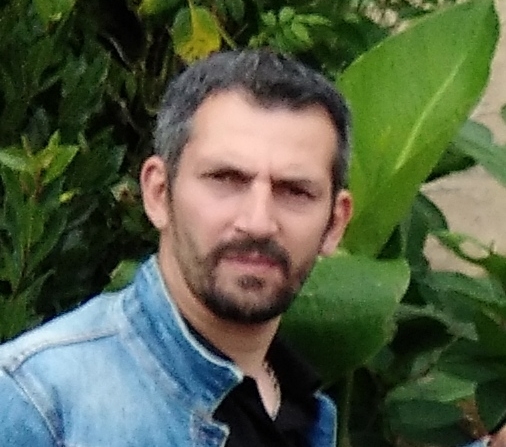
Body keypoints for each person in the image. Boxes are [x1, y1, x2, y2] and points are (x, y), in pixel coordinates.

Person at [0, 49, 499, 446]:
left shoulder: (293, 404)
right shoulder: (40, 401)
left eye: (295, 191)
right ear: (158, 193)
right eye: (226, 179)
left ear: (334, 224)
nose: (258, 222)